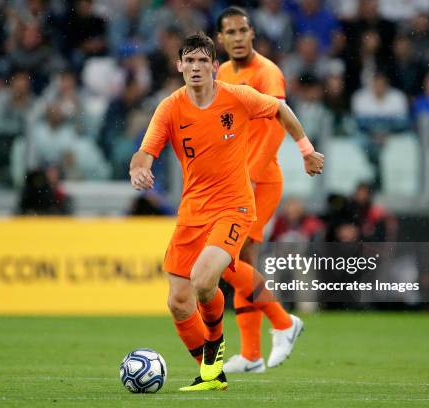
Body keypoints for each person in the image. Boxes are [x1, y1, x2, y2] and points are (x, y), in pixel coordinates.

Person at [129, 33, 324, 391]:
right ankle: (211, 372)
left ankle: (222, 352)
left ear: (214, 67)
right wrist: (137, 168)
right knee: (178, 301)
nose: (196, 67)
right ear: (179, 66)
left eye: (203, 61)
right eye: (190, 61)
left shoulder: (237, 97)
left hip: (233, 206)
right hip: (192, 211)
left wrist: (306, 149)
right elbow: (144, 152)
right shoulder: (170, 108)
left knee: (205, 281)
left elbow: (280, 109)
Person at [215, 6, 306, 374]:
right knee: (242, 263)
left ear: (252, 33)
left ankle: (284, 322)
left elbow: (276, 125)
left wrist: (248, 175)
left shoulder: (268, 73)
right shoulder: (221, 72)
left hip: (260, 181)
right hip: (234, 181)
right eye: (230, 33)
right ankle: (252, 354)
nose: (237, 38)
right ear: (220, 39)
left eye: (242, 31)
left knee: (229, 260)